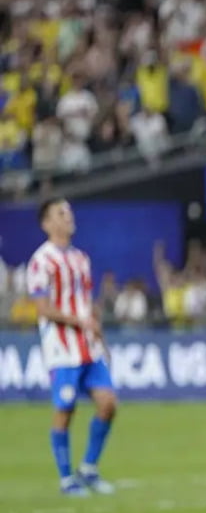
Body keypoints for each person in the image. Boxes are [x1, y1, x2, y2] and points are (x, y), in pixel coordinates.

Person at [25, 198, 117, 496]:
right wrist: (79, 321)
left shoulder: (81, 259)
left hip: (88, 346)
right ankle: (66, 479)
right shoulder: (42, 261)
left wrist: (98, 334)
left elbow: (86, 303)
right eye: (61, 213)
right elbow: (42, 308)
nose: (68, 217)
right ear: (47, 224)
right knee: (65, 409)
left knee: (108, 404)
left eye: (69, 212)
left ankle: (88, 468)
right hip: (62, 349)